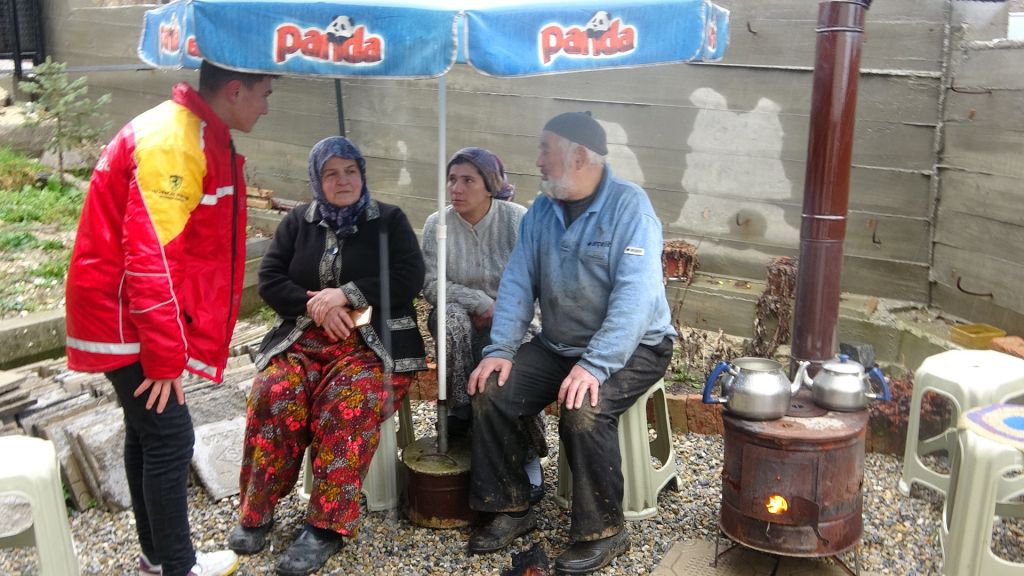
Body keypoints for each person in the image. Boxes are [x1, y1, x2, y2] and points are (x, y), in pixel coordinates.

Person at [64, 60, 272, 576]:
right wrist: (163, 358)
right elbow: (151, 257)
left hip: (122, 314)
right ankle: (177, 567)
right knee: (170, 436)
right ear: (234, 89)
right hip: (126, 319)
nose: (268, 106)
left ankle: (157, 557)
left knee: (147, 433)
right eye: (264, 93)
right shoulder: (176, 143)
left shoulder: (192, 130)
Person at [465, 112, 676, 574]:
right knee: (490, 390)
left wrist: (597, 364)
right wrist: (500, 349)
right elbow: (519, 281)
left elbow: (635, 300)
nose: (537, 161)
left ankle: (603, 530)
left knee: (585, 411)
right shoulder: (543, 210)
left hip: (637, 346)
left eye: (546, 149)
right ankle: (511, 506)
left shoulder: (630, 209)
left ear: (579, 156)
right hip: (562, 345)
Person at [227, 136, 427, 576]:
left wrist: (347, 296)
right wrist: (317, 305)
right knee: (272, 393)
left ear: (363, 173)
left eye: (350, 171)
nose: (343, 180)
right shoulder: (298, 222)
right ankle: (256, 510)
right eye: (331, 173)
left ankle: (325, 528)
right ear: (316, 180)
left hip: (370, 347)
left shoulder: (389, 221)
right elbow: (271, 281)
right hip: (304, 342)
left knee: (347, 404)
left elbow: (410, 276)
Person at [420, 147, 545, 503]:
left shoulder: (517, 220)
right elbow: (431, 284)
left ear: (490, 186)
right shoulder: (437, 225)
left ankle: (528, 453)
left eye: (468, 180)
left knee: (510, 371)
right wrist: (479, 302)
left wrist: (499, 310)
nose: (456, 188)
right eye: (452, 179)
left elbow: (534, 280)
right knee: (450, 321)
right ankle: (461, 418)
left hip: (513, 317)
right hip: (459, 313)